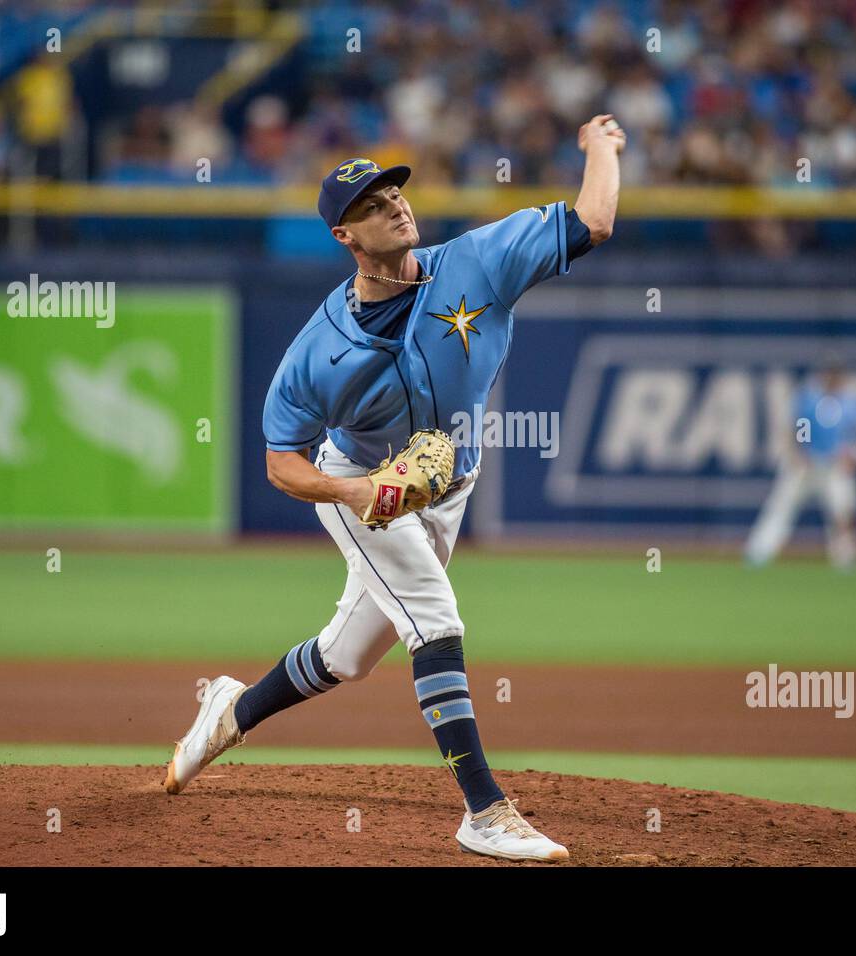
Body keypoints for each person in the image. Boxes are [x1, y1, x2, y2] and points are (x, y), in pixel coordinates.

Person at [163, 115, 625, 862]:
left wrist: (600, 149)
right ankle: (484, 809)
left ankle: (232, 707)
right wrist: (353, 494)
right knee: (435, 623)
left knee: (348, 656)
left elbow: (593, 222)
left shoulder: (477, 263)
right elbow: (282, 463)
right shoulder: (319, 351)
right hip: (361, 486)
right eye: (373, 205)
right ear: (346, 237)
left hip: (449, 485)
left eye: (394, 192)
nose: (395, 206)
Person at [745, 358, 856, 569]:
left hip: (834, 466)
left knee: (844, 510)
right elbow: (798, 427)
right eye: (830, 373)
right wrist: (799, 453)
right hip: (805, 464)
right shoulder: (809, 396)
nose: (833, 378)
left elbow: (854, 435)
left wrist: (851, 455)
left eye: (836, 374)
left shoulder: (852, 402)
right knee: (781, 508)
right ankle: (758, 554)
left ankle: (847, 559)